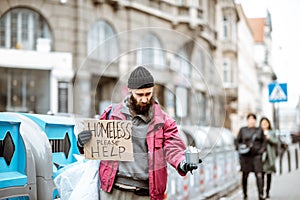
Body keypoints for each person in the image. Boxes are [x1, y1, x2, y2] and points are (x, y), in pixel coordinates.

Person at [77, 66, 200, 200]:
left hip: (145, 194)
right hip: (112, 190)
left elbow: (173, 148)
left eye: (148, 94)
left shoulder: (164, 121)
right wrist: (83, 144)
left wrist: (182, 163)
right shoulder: (111, 113)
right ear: (130, 91)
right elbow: (97, 144)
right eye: (139, 95)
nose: (144, 99)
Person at [236, 113, 267, 200]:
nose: (251, 121)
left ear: (255, 120)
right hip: (245, 157)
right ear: (247, 120)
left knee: (259, 175)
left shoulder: (259, 130)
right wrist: (241, 148)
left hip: (256, 156)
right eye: (249, 119)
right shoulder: (243, 130)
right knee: (245, 176)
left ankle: (261, 194)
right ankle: (245, 194)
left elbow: (264, 143)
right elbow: (237, 141)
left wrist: (261, 151)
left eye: (253, 119)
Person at [259, 117, 278, 199]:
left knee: (269, 175)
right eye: (262, 124)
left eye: (265, 123)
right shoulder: (259, 132)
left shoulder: (272, 132)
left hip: (269, 157)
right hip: (261, 157)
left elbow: (276, 141)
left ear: (268, 124)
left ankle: (267, 192)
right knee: (261, 175)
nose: (264, 125)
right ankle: (261, 192)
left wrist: (269, 138)